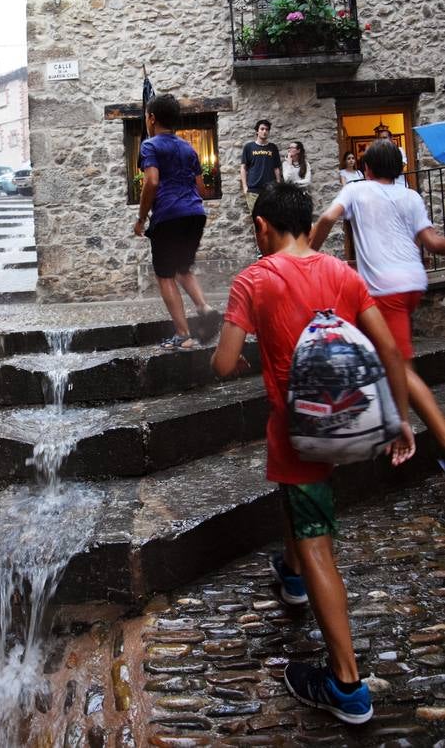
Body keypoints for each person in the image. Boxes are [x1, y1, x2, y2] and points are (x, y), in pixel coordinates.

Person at [212, 182, 415, 725]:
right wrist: (400, 420)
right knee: (302, 509)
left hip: (301, 434)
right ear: (307, 223)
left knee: (317, 539)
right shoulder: (343, 276)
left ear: (262, 227)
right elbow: (389, 349)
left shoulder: (253, 280)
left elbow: (226, 364)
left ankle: (347, 685)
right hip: (349, 424)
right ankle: (292, 575)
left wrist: (231, 340)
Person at [312, 138, 445, 455]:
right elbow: (433, 242)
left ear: (366, 168)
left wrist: (306, 252)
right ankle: (391, 421)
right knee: (386, 356)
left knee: (401, 366)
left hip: (386, 290)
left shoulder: (356, 189)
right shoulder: (410, 195)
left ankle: (432, 435)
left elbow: (328, 218)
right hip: (413, 283)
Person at [134, 93, 217, 349]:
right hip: (195, 214)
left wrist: (141, 218)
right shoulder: (188, 148)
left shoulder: (150, 145)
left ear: (151, 118)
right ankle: (205, 308)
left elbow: (152, 181)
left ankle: (183, 335)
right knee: (182, 269)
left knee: (165, 275)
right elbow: (201, 188)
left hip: (169, 216)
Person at [240, 119, 282, 211]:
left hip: (270, 190)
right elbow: (243, 168)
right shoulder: (249, 147)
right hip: (253, 190)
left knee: (271, 219)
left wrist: (278, 185)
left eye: (267, 129)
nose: (264, 131)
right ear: (257, 131)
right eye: (262, 129)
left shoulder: (273, 147)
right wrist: (245, 187)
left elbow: (276, 168)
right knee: (256, 219)